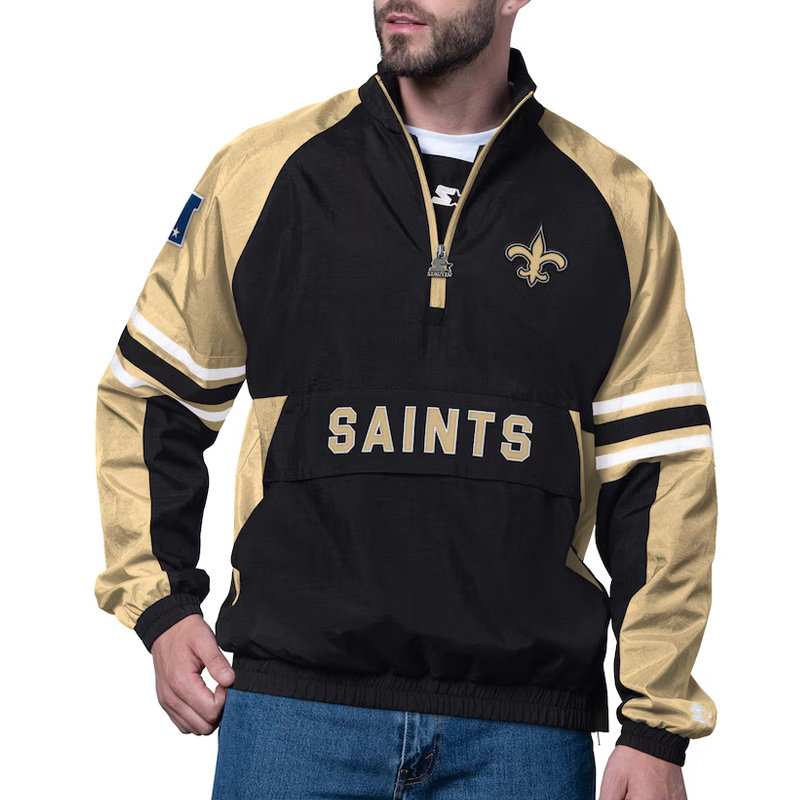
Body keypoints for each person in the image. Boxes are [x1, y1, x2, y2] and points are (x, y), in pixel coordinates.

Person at [94, 1, 717, 798]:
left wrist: (657, 725)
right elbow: (151, 396)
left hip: (521, 738)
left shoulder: (614, 204)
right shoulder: (266, 172)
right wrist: (162, 605)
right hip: (292, 717)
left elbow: (661, 473)